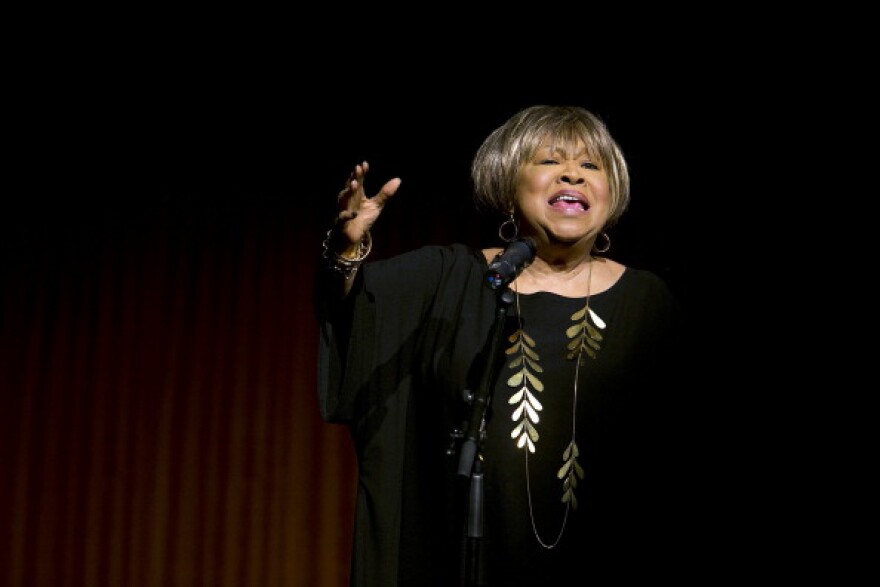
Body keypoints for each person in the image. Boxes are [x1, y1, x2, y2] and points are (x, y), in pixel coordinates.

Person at [314, 105, 687, 586]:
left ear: (611, 197)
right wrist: (345, 251)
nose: (573, 173)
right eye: (550, 161)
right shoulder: (449, 278)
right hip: (460, 558)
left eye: (592, 166)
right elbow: (355, 318)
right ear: (509, 186)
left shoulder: (649, 305)